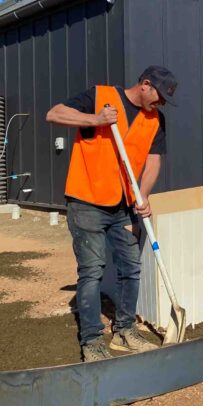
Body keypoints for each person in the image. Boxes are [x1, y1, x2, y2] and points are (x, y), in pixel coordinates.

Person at [46, 66, 178, 361]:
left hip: (125, 206)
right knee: (92, 271)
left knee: (131, 267)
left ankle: (124, 331)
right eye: (160, 96)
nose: (162, 104)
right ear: (145, 85)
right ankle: (92, 340)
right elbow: (53, 114)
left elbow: (154, 161)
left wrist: (143, 195)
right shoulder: (101, 97)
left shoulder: (155, 120)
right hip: (87, 200)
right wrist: (95, 119)